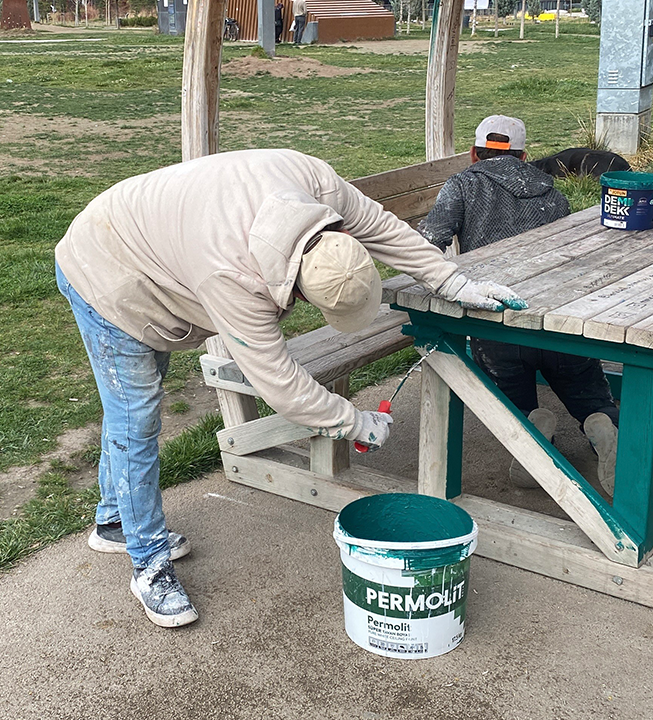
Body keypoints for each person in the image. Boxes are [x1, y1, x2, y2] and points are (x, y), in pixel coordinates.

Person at [56, 149, 525, 628]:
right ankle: (148, 563)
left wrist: (452, 280)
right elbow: (280, 385)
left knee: (130, 414)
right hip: (107, 270)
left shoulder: (315, 182)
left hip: (158, 232)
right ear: (297, 291)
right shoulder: (232, 277)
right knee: (135, 419)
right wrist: (355, 422)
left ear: (343, 234)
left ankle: (114, 522)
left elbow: (383, 228)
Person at [419, 116, 619, 496]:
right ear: (524, 156)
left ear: (474, 154)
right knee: (586, 388)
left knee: (509, 399)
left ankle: (530, 427)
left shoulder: (462, 184)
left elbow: (428, 244)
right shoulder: (551, 192)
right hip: (557, 323)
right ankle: (600, 421)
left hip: (496, 328)